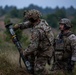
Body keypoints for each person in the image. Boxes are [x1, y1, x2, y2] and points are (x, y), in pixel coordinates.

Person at [14, 9, 54, 75]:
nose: (28, 20)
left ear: (32, 19)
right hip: (41, 47)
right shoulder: (41, 21)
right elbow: (28, 24)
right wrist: (19, 25)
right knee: (30, 64)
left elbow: (33, 47)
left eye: (29, 18)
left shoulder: (37, 31)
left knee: (38, 71)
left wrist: (24, 52)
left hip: (45, 51)